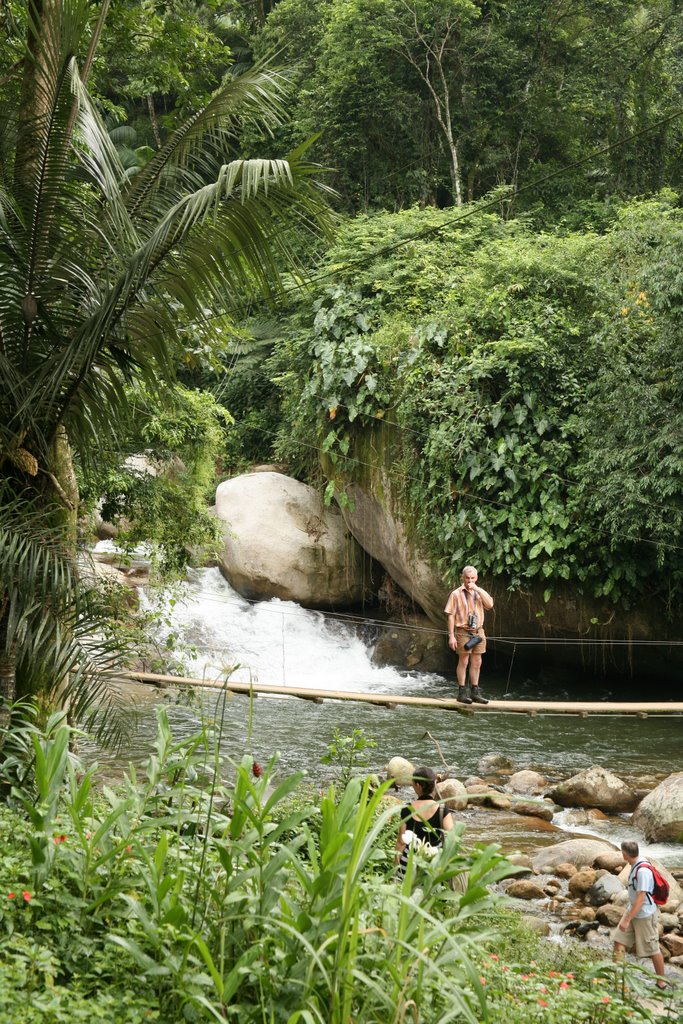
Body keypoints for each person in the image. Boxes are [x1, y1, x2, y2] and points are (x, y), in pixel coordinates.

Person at [612, 840, 667, 989]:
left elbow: (641, 899)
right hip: (633, 910)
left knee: (652, 949)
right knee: (619, 941)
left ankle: (661, 982)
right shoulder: (636, 863)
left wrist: (627, 920)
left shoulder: (642, 871)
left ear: (625, 855)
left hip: (644, 915)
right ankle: (618, 979)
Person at [444, 565, 494, 704]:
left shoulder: (479, 592)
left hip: (478, 631)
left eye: (472, 578)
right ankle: (462, 691)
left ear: (476, 578)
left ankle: (475, 691)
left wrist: (477, 589)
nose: (469, 581)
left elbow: (489, 605)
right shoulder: (456, 593)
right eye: (467, 578)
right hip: (463, 631)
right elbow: (451, 616)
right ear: (462, 577)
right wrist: (451, 636)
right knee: (464, 661)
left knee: (477, 662)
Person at [395, 766, 453, 877]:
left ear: (418, 785)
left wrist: (395, 870)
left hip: (408, 867)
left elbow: (401, 842)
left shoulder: (407, 809)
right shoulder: (441, 809)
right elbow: (452, 838)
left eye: (413, 783)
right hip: (434, 866)